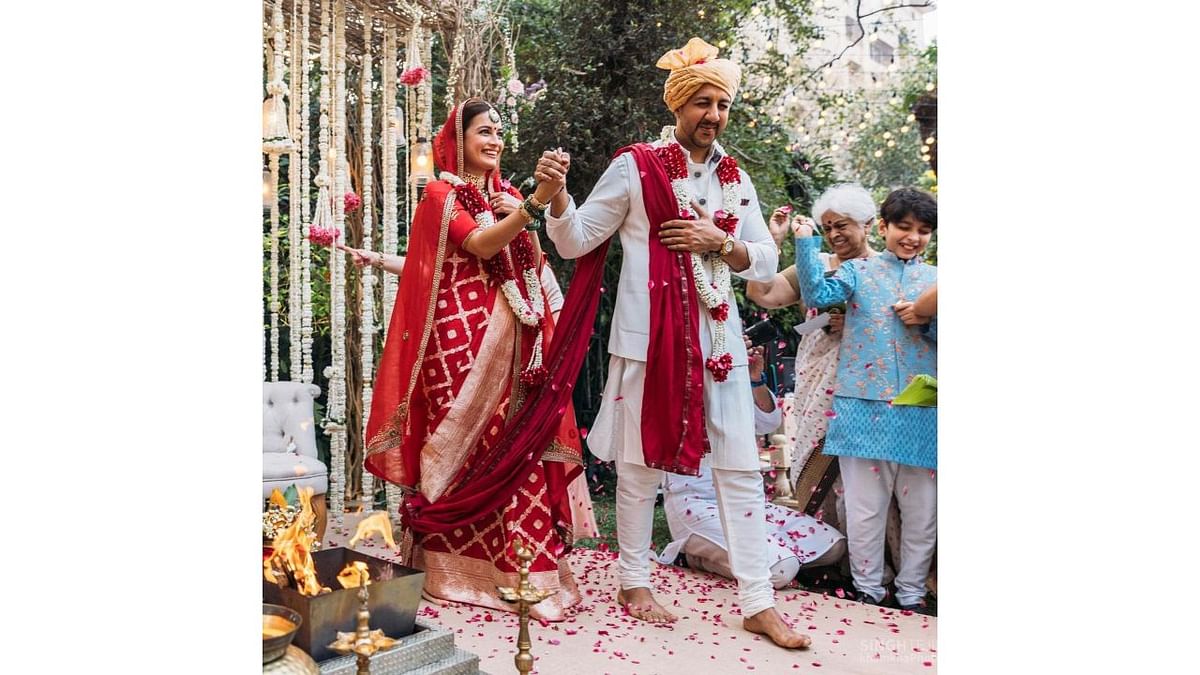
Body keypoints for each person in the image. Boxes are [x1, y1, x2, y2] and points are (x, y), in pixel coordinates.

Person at [544, 37, 810, 649]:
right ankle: (633, 579)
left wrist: (719, 242)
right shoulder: (635, 167)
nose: (713, 116)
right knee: (639, 466)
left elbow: (764, 260)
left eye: (721, 105)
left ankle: (757, 601)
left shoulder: (734, 178)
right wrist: (557, 195)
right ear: (678, 108)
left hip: (718, 344)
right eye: (702, 104)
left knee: (741, 468)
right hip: (649, 344)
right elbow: (576, 240)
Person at [360, 98, 585, 621]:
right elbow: (481, 247)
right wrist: (532, 206)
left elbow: (532, 266)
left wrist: (538, 204)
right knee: (458, 445)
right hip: (457, 346)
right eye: (483, 130)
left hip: (514, 342)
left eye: (499, 131)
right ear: (456, 140)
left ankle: (524, 570)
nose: (495, 139)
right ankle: (446, 571)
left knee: (510, 448)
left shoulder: (506, 196)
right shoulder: (441, 194)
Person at [791, 187, 938, 613]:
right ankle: (867, 592)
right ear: (885, 227)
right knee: (863, 509)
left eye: (923, 231)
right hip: (860, 407)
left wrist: (926, 322)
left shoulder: (937, 282)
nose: (912, 237)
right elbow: (818, 296)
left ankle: (911, 595)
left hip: (922, 408)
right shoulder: (858, 271)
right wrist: (804, 242)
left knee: (922, 512)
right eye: (904, 227)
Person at [659, 339, 846, 589]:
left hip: (746, 502)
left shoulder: (734, 381)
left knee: (834, 546)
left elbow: (768, 422)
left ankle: (766, 551)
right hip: (695, 503)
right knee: (781, 569)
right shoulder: (677, 382)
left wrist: (753, 378)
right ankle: (692, 555)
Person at [745, 184, 879, 489]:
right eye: (828, 227)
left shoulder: (886, 268)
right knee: (818, 471)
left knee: (866, 481)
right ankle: (827, 535)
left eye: (842, 225)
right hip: (816, 382)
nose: (833, 235)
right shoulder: (814, 265)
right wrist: (773, 242)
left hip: (866, 385)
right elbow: (761, 293)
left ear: (868, 224)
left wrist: (856, 324)